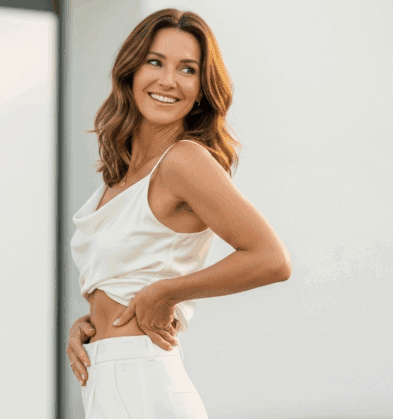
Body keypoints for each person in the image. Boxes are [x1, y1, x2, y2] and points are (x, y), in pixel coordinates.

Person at [67, 8, 291, 418]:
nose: (168, 80)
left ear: (201, 89)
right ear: (131, 71)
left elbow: (271, 259)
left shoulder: (184, 161)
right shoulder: (121, 175)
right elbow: (126, 277)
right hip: (110, 378)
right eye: (155, 62)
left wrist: (167, 292)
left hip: (143, 379)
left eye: (187, 69)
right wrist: (91, 326)